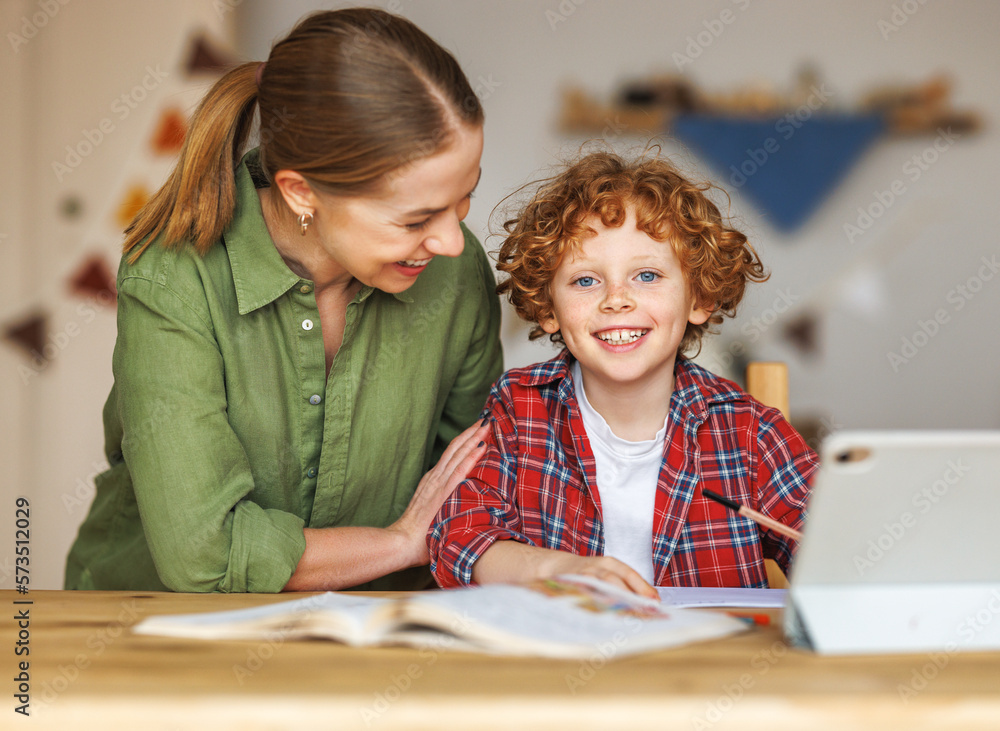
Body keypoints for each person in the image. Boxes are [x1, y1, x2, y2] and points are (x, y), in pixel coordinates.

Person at [64, 8, 503, 593]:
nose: (452, 242)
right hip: (151, 632)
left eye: (464, 199)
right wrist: (401, 541)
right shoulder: (173, 276)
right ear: (302, 192)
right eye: (417, 218)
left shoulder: (455, 272)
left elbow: (477, 492)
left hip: (372, 637)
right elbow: (206, 556)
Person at [429, 150, 818, 597]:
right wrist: (557, 568)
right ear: (548, 308)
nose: (617, 299)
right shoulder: (521, 407)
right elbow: (458, 536)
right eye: (585, 281)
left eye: (647, 275)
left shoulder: (748, 432)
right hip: (562, 660)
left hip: (708, 665)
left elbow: (840, 548)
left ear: (700, 299)